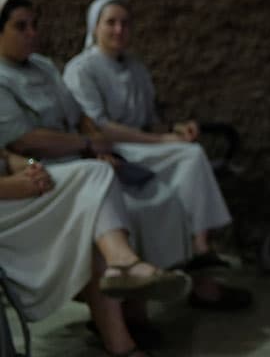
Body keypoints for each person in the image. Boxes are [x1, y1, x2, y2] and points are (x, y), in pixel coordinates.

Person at [61, 0, 252, 312]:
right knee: (189, 156)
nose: (119, 30)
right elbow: (98, 127)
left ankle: (199, 254)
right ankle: (198, 248)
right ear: (94, 27)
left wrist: (175, 130)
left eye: (125, 23)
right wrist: (162, 141)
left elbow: (150, 119)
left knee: (187, 163)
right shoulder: (81, 70)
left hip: (142, 145)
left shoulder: (135, 68)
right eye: (111, 22)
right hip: (112, 149)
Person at [0, 148, 190, 357]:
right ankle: (124, 266)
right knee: (95, 177)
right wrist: (9, 186)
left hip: (16, 189)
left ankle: (121, 340)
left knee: (95, 201)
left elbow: (5, 155)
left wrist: (30, 166)